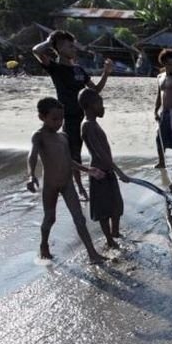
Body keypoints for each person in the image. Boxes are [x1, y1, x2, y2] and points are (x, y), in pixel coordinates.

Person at [32, 30, 113, 201]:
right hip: (68, 117)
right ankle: (80, 188)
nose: (74, 49)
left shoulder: (78, 69)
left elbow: (95, 90)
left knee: (95, 149)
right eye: (70, 46)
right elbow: (36, 51)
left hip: (86, 117)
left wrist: (106, 73)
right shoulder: (55, 67)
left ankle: (99, 178)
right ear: (60, 48)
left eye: (73, 46)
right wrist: (50, 41)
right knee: (74, 154)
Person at [26, 97, 105, 263]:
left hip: (67, 183)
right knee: (50, 218)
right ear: (42, 117)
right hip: (50, 185)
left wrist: (88, 170)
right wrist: (31, 175)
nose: (59, 123)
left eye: (61, 119)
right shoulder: (39, 136)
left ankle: (92, 254)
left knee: (79, 219)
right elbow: (32, 155)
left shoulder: (63, 136)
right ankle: (44, 244)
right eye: (54, 119)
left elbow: (69, 161)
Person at [78, 89, 131, 249]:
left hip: (108, 171)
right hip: (99, 173)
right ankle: (109, 240)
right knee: (103, 211)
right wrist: (118, 170)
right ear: (89, 106)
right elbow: (100, 153)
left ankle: (115, 232)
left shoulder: (94, 123)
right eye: (100, 104)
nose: (103, 107)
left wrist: (113, 170)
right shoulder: (88, 125)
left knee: (116, 206)